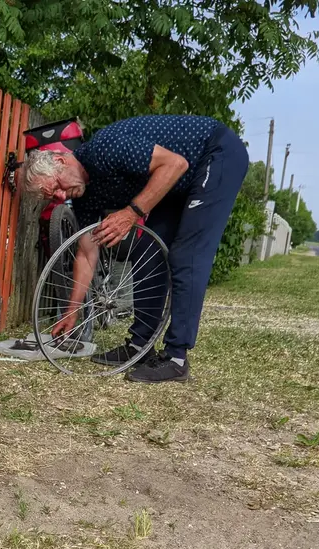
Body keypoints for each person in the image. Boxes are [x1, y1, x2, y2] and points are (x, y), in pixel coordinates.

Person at [22, 114, 249, 383]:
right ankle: (140, 347)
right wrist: (73, 311)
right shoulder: (85, 196)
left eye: (57, 187)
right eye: (52, 196)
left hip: (214, 154)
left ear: (61, 161)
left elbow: (176, 164)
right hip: (179, 180)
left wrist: (131, 213)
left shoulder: (106, 149)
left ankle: (176, 358)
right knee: (149, 250)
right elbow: (86, 253)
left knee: (186, 255)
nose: (60, 196)